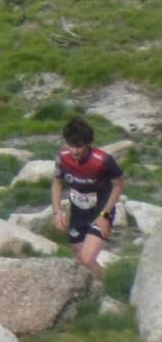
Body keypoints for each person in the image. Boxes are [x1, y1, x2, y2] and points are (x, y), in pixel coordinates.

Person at [51, 116, 124, 282]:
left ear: (88, 143)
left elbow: (118, 185)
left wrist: (105, 214)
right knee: (80, 258)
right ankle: (95, 287)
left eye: (79, 146)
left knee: (87, 259)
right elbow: (56, 182)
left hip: (100, 212)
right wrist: (57, 212)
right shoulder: (62, 157)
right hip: (77, 213)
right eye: (71, 145)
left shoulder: (103, 161)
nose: (75, 151)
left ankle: (105, 294)